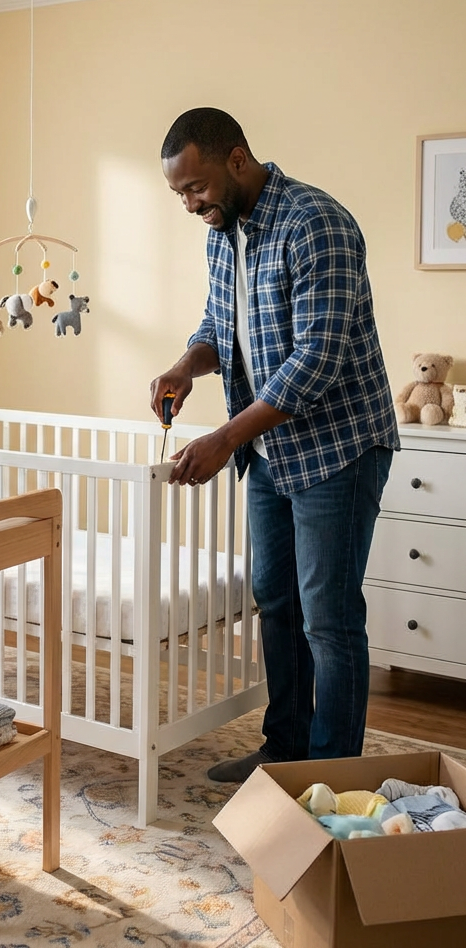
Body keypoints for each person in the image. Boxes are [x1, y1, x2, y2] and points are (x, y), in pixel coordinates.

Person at [150, 107, 399, 784]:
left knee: (328, 617)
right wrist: (184, 366)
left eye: (194, 188)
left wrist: (226, 439)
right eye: (178, 194)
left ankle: (332, 776)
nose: (189, 203)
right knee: (277, 603)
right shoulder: (223, 234)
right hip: (269, 453)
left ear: (237, 160)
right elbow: (216, 325)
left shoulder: (317, 223)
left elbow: (317, 359)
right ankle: (285, 751)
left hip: (339, 448)